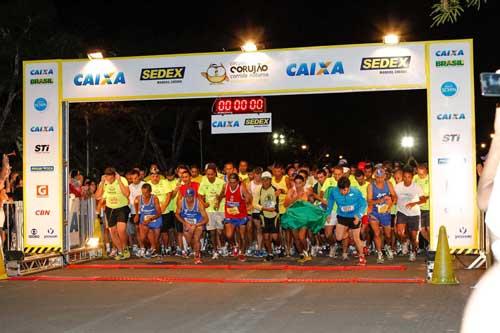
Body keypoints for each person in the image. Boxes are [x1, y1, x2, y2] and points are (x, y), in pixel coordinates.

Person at [283, 175, 326, 263]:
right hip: (293, 218)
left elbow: (313, 195)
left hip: (304, 218)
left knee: (301, 237)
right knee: (296, 239)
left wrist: (323, 200)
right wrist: (296, 198)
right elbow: (286, 204)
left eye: (300, 183)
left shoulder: (307, 191)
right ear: (294, 183)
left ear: (303, 183)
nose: (298, 185)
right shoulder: (291, 191)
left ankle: (307, 253)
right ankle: (302, 254)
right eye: (296, 183)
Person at [326, 176, 368, 265]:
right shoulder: (334, 191)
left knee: (356, 238)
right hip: (342, 216)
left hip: (354, 216)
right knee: (338, 237)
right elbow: (330, 201)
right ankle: (348, 233)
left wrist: (359, 216)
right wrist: (328, 213)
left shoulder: (356, 192)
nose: (343, 192)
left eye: (345, 190)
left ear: (349, 187)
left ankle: (362, 258)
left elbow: (363, 204)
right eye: (341, 190)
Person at [95, 167, 131, 260]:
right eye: (107, 178)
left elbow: (127, 194)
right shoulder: (104, 181)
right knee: (112, 231)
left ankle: (125, 248)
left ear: (115, 176)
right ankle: (120, 251)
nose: (109, 181)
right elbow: (97, 196)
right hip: (110, 208)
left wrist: (119, 181)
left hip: (122, 207)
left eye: (111, 178)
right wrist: (102, 182)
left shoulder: (122, 179)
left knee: (121, 230)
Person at [394, 167, 426, 262]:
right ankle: (405, 241)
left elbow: (423, 199)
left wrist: (414, 203)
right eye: (405, 177)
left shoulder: (417, 187)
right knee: (399, 232)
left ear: (412, 178)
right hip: (402, 212)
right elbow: (393, 197)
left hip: (414, 213)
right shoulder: (398, 186)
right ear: (402, 177)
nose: (407, 179)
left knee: (414, 236)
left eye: (409, 177)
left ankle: (413, 252)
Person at [367, 168, 397, 263]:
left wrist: (390, 204)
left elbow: (395, 196)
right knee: (376, 233)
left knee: (388, 234)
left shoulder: (388, 184)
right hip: (374, 212)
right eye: (377, 177)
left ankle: (387, 246)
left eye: (381, 177)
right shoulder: (371, 186)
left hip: (385, 212)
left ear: (385, 176)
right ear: (375, 177)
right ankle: (379, 253)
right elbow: (369, 201)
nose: (379, 179)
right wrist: (380, 200)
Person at [221, 173, 252, 262]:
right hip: (230, 214)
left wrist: (248, 203)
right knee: (228, 235)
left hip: (241, 215)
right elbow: (221, 195)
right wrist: (218, 201)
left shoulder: (242, 187)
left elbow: (249, 197)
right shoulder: (225, 186)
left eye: (234, 182)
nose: (232, 184)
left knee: (242, 235)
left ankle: (242, 252)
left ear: (237, 182)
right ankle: (234, 246)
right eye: (230, 182)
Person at [198, 164, 226, 259]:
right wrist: (203, 203)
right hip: (209, 210)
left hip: (220, 209)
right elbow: (200, 195)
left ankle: (223, 247)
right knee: (212, 232)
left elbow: (224, 193)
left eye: (212, 174)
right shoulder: (203, 182)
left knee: (221, 231)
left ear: (215, 173)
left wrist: (219, 199)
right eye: (208, 174)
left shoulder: (222, 182)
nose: (210, 176)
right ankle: (215, 251)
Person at [176, 187, 208, 264]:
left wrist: (196, 225)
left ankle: (197, 256)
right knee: (189, 240)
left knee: (196, 238)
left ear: (194, 196)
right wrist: (185, 223)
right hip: (187, 224)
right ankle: (192, 248)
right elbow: (177, 214)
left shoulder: (199, 203)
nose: (189, 198)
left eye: (190, 196)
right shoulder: (181, 202)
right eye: (187, 196)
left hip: (198, 223)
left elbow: (206, 219)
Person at [254, 171, 280, 261]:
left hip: (274, 215)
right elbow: (254, 204)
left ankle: (279, 246)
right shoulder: (259, 189)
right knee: (266, 237)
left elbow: (283, 191)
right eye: (263, 180)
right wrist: (264, 209)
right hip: (264, 215)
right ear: (261, 180)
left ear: (270, 180)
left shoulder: (274, 189)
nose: (265, 182)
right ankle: (270, 253)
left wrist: (281, 191)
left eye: (267, 180)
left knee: (275, 237)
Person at [147, 169, 173, 256]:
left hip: (164, 211)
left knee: (164, 231)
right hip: (152, 212)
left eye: (157, 176)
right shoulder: (147, 184)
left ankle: (166, 248)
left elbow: (169, 195)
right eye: (153, 176)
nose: (155, 178)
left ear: (160, 176)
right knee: (153, 231)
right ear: (150, 177)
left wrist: (163, 207)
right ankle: (155, 248)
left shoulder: (165, 182)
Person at [134, 183, 163, 258]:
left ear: (150, 191)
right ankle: (145, 248)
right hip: (145, 219)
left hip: (155, 218)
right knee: (143, 237)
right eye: (143, 192)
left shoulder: (154, 198)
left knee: (155, 239)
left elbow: (159, 213)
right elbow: (135, 204)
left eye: (146, 192)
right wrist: (137, 214)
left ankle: (153, 249)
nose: (144, 194)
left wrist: (150, 219)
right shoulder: (138, 198)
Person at [247, 167, 264, 257]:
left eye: (259, 175)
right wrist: (250, 205)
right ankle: (251, 246)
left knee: (259, 228)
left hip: (260, 209)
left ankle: (260, 248)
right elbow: (248, 197)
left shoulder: (265, 184)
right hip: (251, 209)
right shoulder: (250, 184)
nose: (258, 176)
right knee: (249, 228)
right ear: (254, 175)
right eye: (256, 174)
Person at [128, 169, 144, 255]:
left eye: (136, 178)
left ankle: (146, 248)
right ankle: (140, 247)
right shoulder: (129, 187)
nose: (134, 180)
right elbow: (130, 201)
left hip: (145, 211)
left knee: (145, 231)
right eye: (132, 178)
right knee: (136, 230)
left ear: (139, 177)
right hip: (134, 212)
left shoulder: (144, 185)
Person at [414, 163, 430, 249]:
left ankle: (433, 245)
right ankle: (431, 244)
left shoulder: (431, 178)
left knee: (429, 228)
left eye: (422, 174)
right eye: (419, 174)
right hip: (418, 209)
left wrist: (422, 198)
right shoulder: (415, 178)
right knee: (422, 230)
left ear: (426, 171)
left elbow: (430, 194)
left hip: (429, 208)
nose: (420, 176)